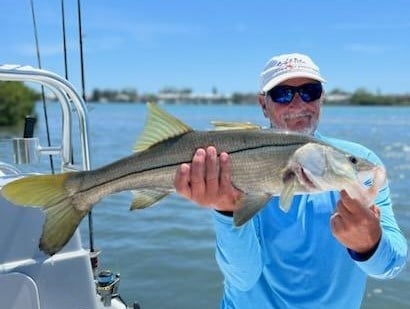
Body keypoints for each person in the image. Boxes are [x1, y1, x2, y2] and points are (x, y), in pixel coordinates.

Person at [174, 53, 408, 308]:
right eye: (283, 94)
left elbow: (391, 265)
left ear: (322, 98)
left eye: (310, 91)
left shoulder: (361, 163)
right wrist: (225, 212)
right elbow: (243, 278)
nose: (298, 104)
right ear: (264, 104)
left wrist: (370, 244)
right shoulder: (233, 160)